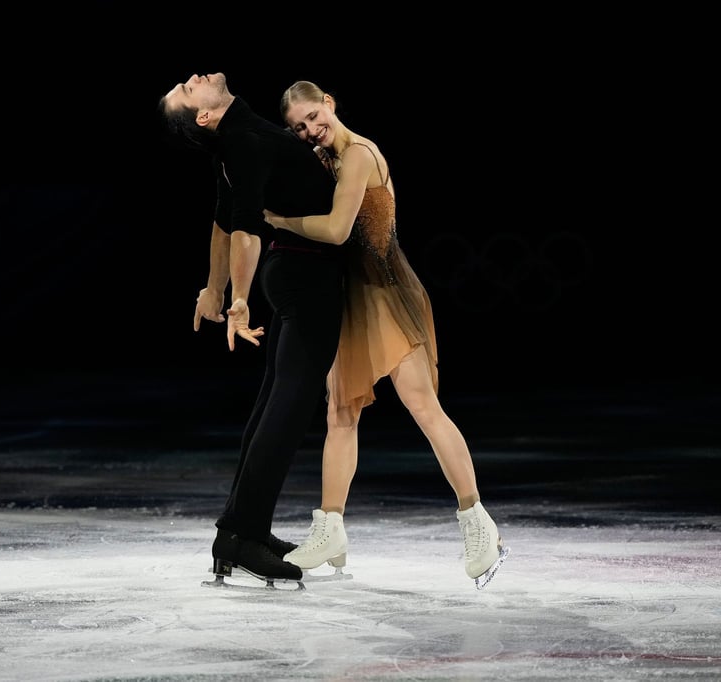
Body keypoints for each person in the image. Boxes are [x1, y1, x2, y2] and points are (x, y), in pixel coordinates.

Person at [263, 80, 509, 589]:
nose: (310, 130)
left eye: (313, 116)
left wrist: (277, 220)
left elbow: (335, 230)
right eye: (299, 127)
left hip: (386, 293)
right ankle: (330, 526)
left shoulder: (358, 155)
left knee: (422, 405)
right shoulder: (326, 160)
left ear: (329, 102)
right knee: (340, 413)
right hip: (352, 299)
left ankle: (478, 522)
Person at [158, 73, 346, 586]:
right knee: (285, 412)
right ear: (203, 115)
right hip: (307, 277)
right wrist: (237, 299)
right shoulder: (240, 139)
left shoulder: (238, 139)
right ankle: (243, 534)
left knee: (272, 405)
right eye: (186, 88)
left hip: (295, 275)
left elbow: (222, 222)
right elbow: (241, 229)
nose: (192, 78)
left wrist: (214, 290)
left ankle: (240, 535)